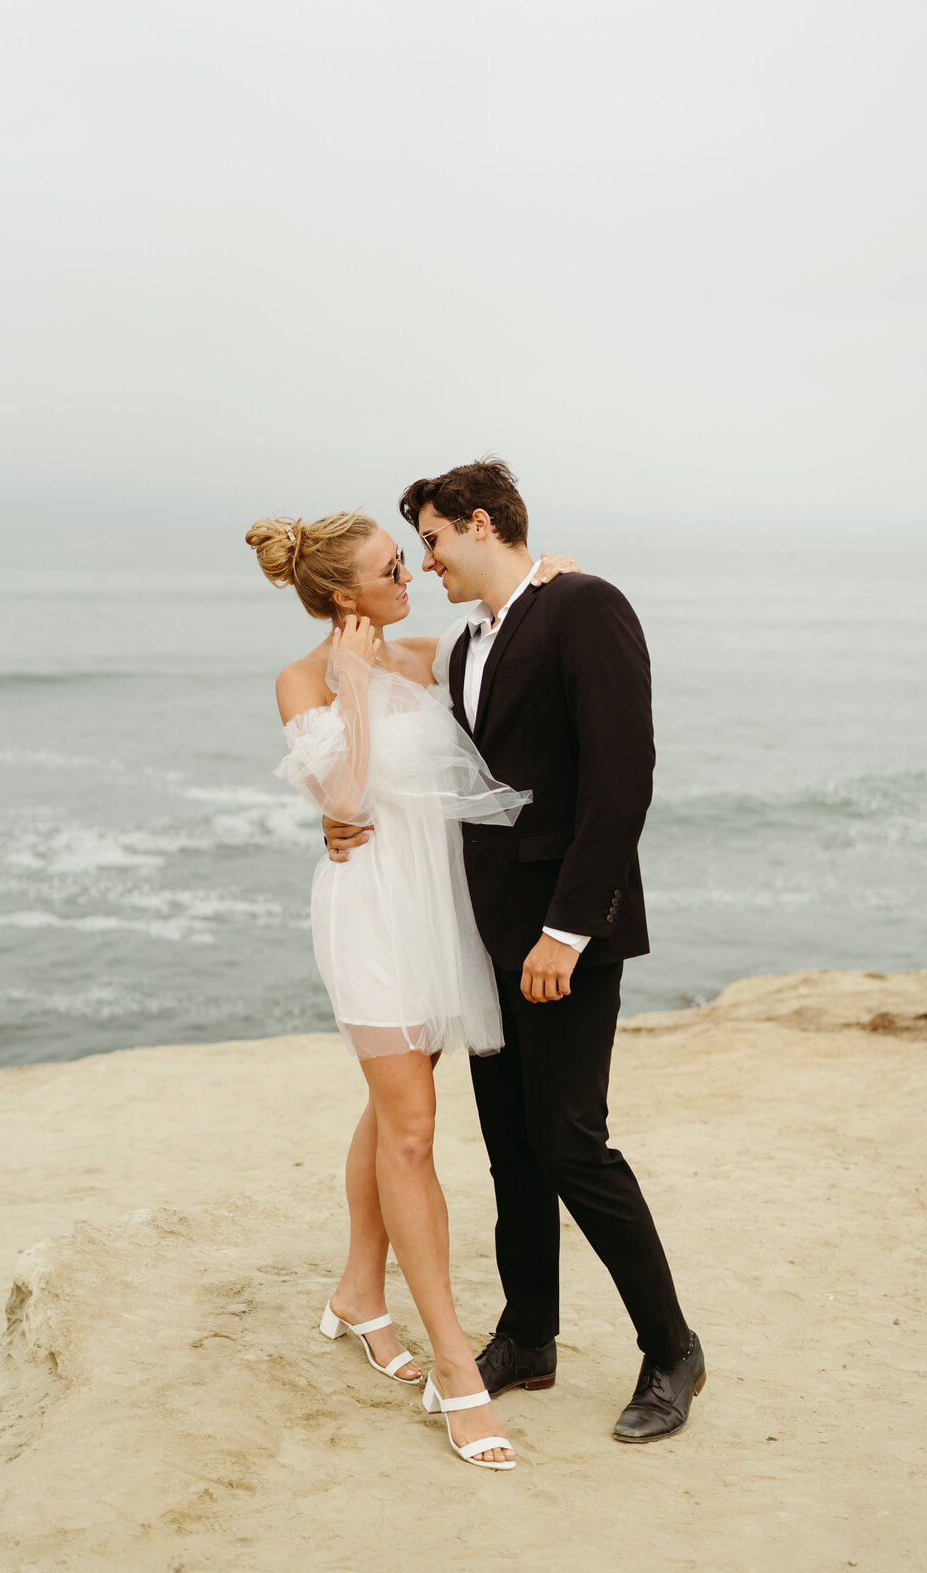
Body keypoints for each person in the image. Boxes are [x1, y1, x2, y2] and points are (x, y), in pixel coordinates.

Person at [326, 458, 705, 1444]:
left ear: (482, 524)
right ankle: (530, 1334)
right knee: (511, 1153)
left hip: (564, 936)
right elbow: (367, 658)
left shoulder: (586, 608)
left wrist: (569, 931)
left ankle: (672, 1350)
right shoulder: (467, 645)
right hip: (487, 937)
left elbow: (623, 782)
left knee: (573, 1144)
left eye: (436, 541)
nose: (428, 561)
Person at [246, 508, 579, 1469]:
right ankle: (456, 1371)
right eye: (395, 568)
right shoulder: (305, 679)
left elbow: (516, 631)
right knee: (414, 1129)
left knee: (396, 1112)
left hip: (444, 911)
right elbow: (345, 803)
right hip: (372, 918)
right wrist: (352, 685)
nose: (414, 574)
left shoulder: (431, 652)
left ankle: (358, 1292)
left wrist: (556, 571)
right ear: (346, 596)